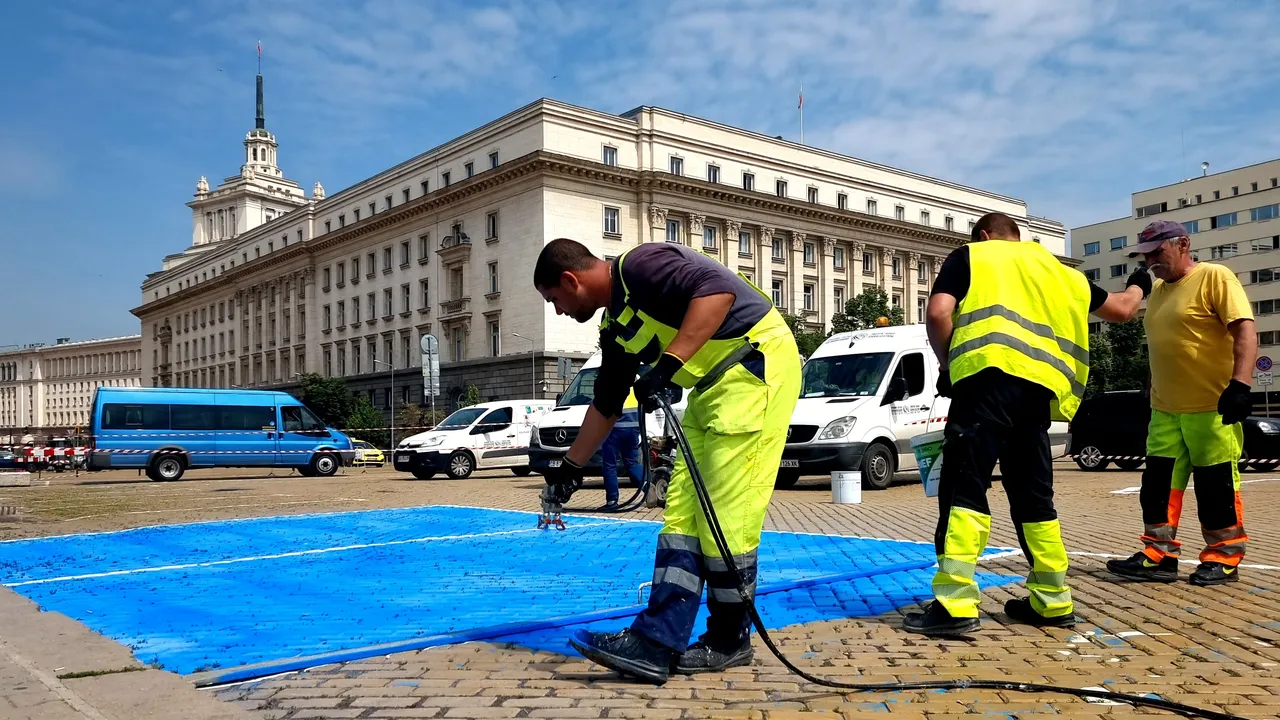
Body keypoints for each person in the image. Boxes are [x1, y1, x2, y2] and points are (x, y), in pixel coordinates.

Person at [534, 237, 801, 683]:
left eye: (555, 300)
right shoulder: (617, 327)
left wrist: (669, 363)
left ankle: (728, 640)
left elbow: (718, 294)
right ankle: (656, 640)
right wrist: (571, 469)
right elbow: (606, 404)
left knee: (725, 518)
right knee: (681, 520)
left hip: (755, 370)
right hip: (713, 390)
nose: (558, 310)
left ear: (570, 279)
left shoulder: (642, 265)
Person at [909, 212, 1149, 636]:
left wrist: (949, 365)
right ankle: (1053, 601)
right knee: (1034, 497)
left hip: (985, 382)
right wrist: (1140, 283)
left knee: (965, 488)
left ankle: (956, 605)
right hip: (1039, 393)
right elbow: (1122, 310)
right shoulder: (1061, 274)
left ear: (984, 236)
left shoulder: (973, 256)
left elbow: (939, 312)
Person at [1106, 220, 1256, 586]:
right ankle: (1158, 555)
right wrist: (1149, 389)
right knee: (1157, 488)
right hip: (1165, 410)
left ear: (1183, 244)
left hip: (1212, 406)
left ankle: (1224, 556)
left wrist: (1240, 386)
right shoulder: (1157, 292)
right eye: (1146, 256)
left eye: (1158, 252)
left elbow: (1246, 331)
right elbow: (1162, 350)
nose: (1152, 261)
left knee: (1216, 485)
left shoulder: (1214, 277)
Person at [600, 392, 645, 509]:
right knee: (632, 463)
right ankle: (647, 487)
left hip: (614, 428)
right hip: (633, 427)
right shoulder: (635, 379)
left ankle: (612, 501)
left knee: (610, 464)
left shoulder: (612, 380)